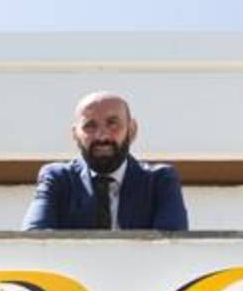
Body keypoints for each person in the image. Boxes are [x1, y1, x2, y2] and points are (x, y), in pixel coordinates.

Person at [22, 91, 189, 230]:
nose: (102, 136)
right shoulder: (58, 179)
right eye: (90, 126)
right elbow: (35, 240)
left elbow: (172, 244)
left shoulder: (159, 181)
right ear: (75, 134)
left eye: (112, 123)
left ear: (132, 130)